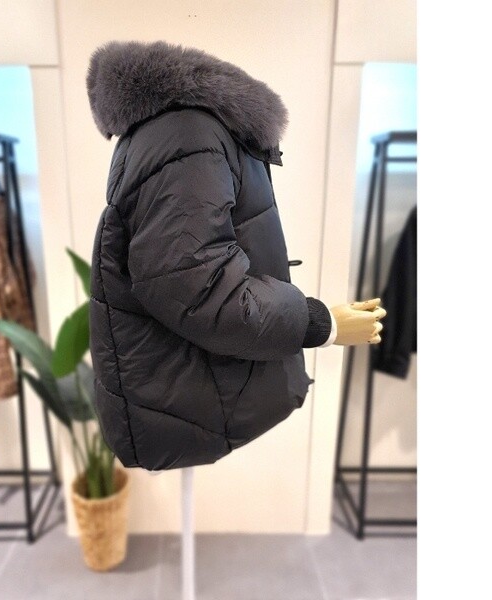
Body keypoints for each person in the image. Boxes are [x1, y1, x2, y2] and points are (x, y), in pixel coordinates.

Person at [86, 40, 385, 471]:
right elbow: (198, 289)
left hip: (185, 390)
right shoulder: (187, 133)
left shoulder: (171, 132)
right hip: (186, 400)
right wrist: (324, 324)